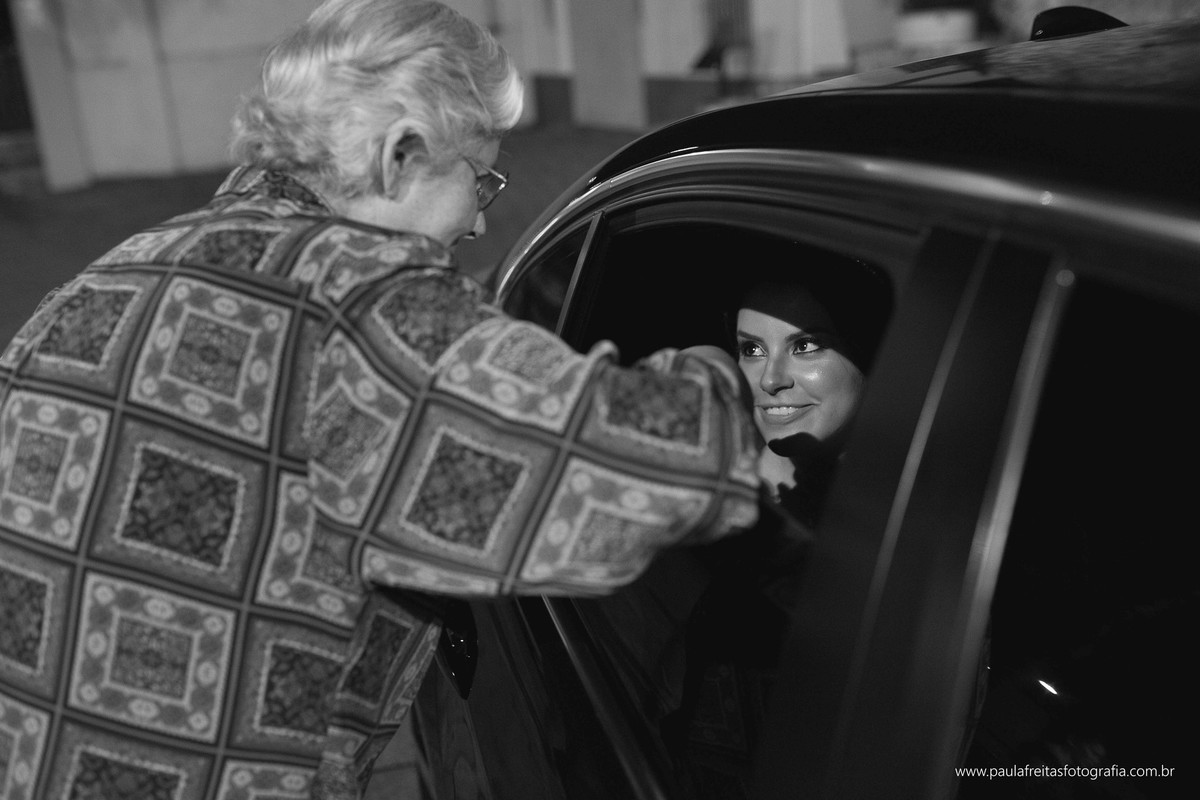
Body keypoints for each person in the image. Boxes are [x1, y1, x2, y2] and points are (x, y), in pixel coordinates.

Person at [0, 3, 762, 799]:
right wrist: (719, 375)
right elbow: (640, 472)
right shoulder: (358, 304)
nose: (481, 221)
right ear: (401, 155)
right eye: (480, 177)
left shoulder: (105, 280)